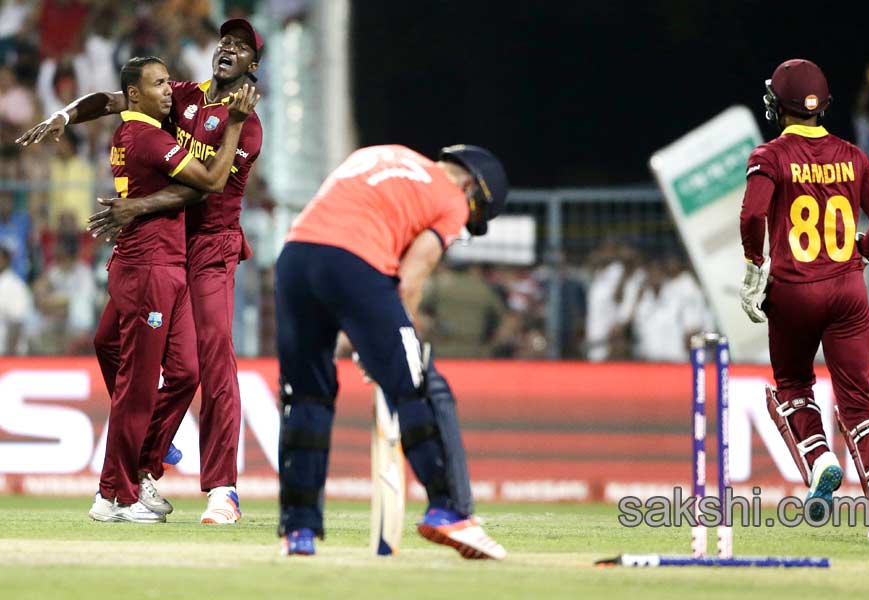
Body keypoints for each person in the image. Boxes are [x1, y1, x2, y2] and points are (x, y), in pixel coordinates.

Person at [18, 18, 265, 524]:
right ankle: (152, 446)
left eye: (241, 47)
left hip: (209, 247)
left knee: (212, 360)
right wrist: (65, 115)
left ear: (252, 68)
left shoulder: (249, 126)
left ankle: (221, 488)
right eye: (226, 40)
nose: (229, 48)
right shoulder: (181, 95)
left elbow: (209, 187)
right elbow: (115, 99)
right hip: (161, 246)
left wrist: (135, 207)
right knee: (111, 344)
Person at [275, 144, 508, 559]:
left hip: (295, 257)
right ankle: (447, 510)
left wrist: (363, 337)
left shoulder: (386, 153)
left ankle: (299, 530)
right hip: (356, 264)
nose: (462, 229)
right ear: (473, 186)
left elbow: (343, 220)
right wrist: (394, 346)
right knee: (412, 385)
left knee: (305, 397)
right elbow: (410, 280)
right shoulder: (451, 197)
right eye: (472, 220)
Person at [739, 59, 869, 541]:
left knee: (792, 384)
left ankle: (819, 460)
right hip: (848, 290)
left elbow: (752, 217)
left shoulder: (769, 155)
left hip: (794, 289)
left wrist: (754, 267)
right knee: (859, 403)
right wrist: (861, 254)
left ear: (780, 106)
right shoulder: (853, 155)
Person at [85, 55, 257, 523]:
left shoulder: (145, 127)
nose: (168, 90)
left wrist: (63, 115)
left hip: (169, 260)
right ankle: (116, 493)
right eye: (158, 84)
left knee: (184, 370)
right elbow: (209, 181)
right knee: (136, 384)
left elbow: (102, 103)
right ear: (137, 95)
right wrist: (234, 126)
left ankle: (144, 463)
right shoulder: (149, 136)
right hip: (150, 264)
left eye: (168, 82)